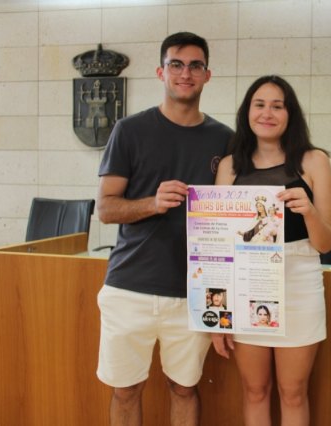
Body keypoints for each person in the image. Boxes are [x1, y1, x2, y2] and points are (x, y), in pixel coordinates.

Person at [95, 32, 233, 426]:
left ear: (207, 75)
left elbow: (230, 221)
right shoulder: (129, 130)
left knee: (184, 388)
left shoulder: (225, 139)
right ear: (161, 72)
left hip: (194, 290)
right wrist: (152, 204)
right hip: (130, 286)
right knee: (126, 390)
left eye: (195, 66)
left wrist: (224, 303)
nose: (185, 73)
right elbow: (105, 208)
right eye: (176, 64)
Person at [211, 75, 331, 426]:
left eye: (277, 106)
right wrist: (218, 314)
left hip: (299, 283)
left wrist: (308, 211)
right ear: (247, 112)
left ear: (290, 114)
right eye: (260, 105)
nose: (267, 113)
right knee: (254, 391)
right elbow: (220, 244)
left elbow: (326, 243)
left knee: (293, 392)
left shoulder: (314, 161)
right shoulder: (230, 166)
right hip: (247, 284)